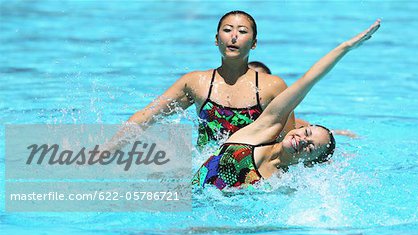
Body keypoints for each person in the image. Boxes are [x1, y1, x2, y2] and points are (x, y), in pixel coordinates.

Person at [192, 20, 381, 190]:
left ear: (310, 162)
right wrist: (346, 47)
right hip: (184, 203)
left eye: (310, 148)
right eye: (306, 133)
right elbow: (308, 81)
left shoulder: (282, 186)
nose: (302, 139)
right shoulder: (261, 131)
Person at [105, 11, 296, 151]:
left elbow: (287, 142)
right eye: (227, 30)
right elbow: (147, 116)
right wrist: (107, 151)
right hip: (205, 174)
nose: (234, 36)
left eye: (243, 31)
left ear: (254, 43)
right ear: (216, 39)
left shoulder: (272, 87)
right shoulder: (197, 82)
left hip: (252, 178)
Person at [248, 61, 358, 138]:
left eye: (259, 83)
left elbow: (309, 133)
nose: (253, 87)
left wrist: (336, 133)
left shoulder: (284, 122)